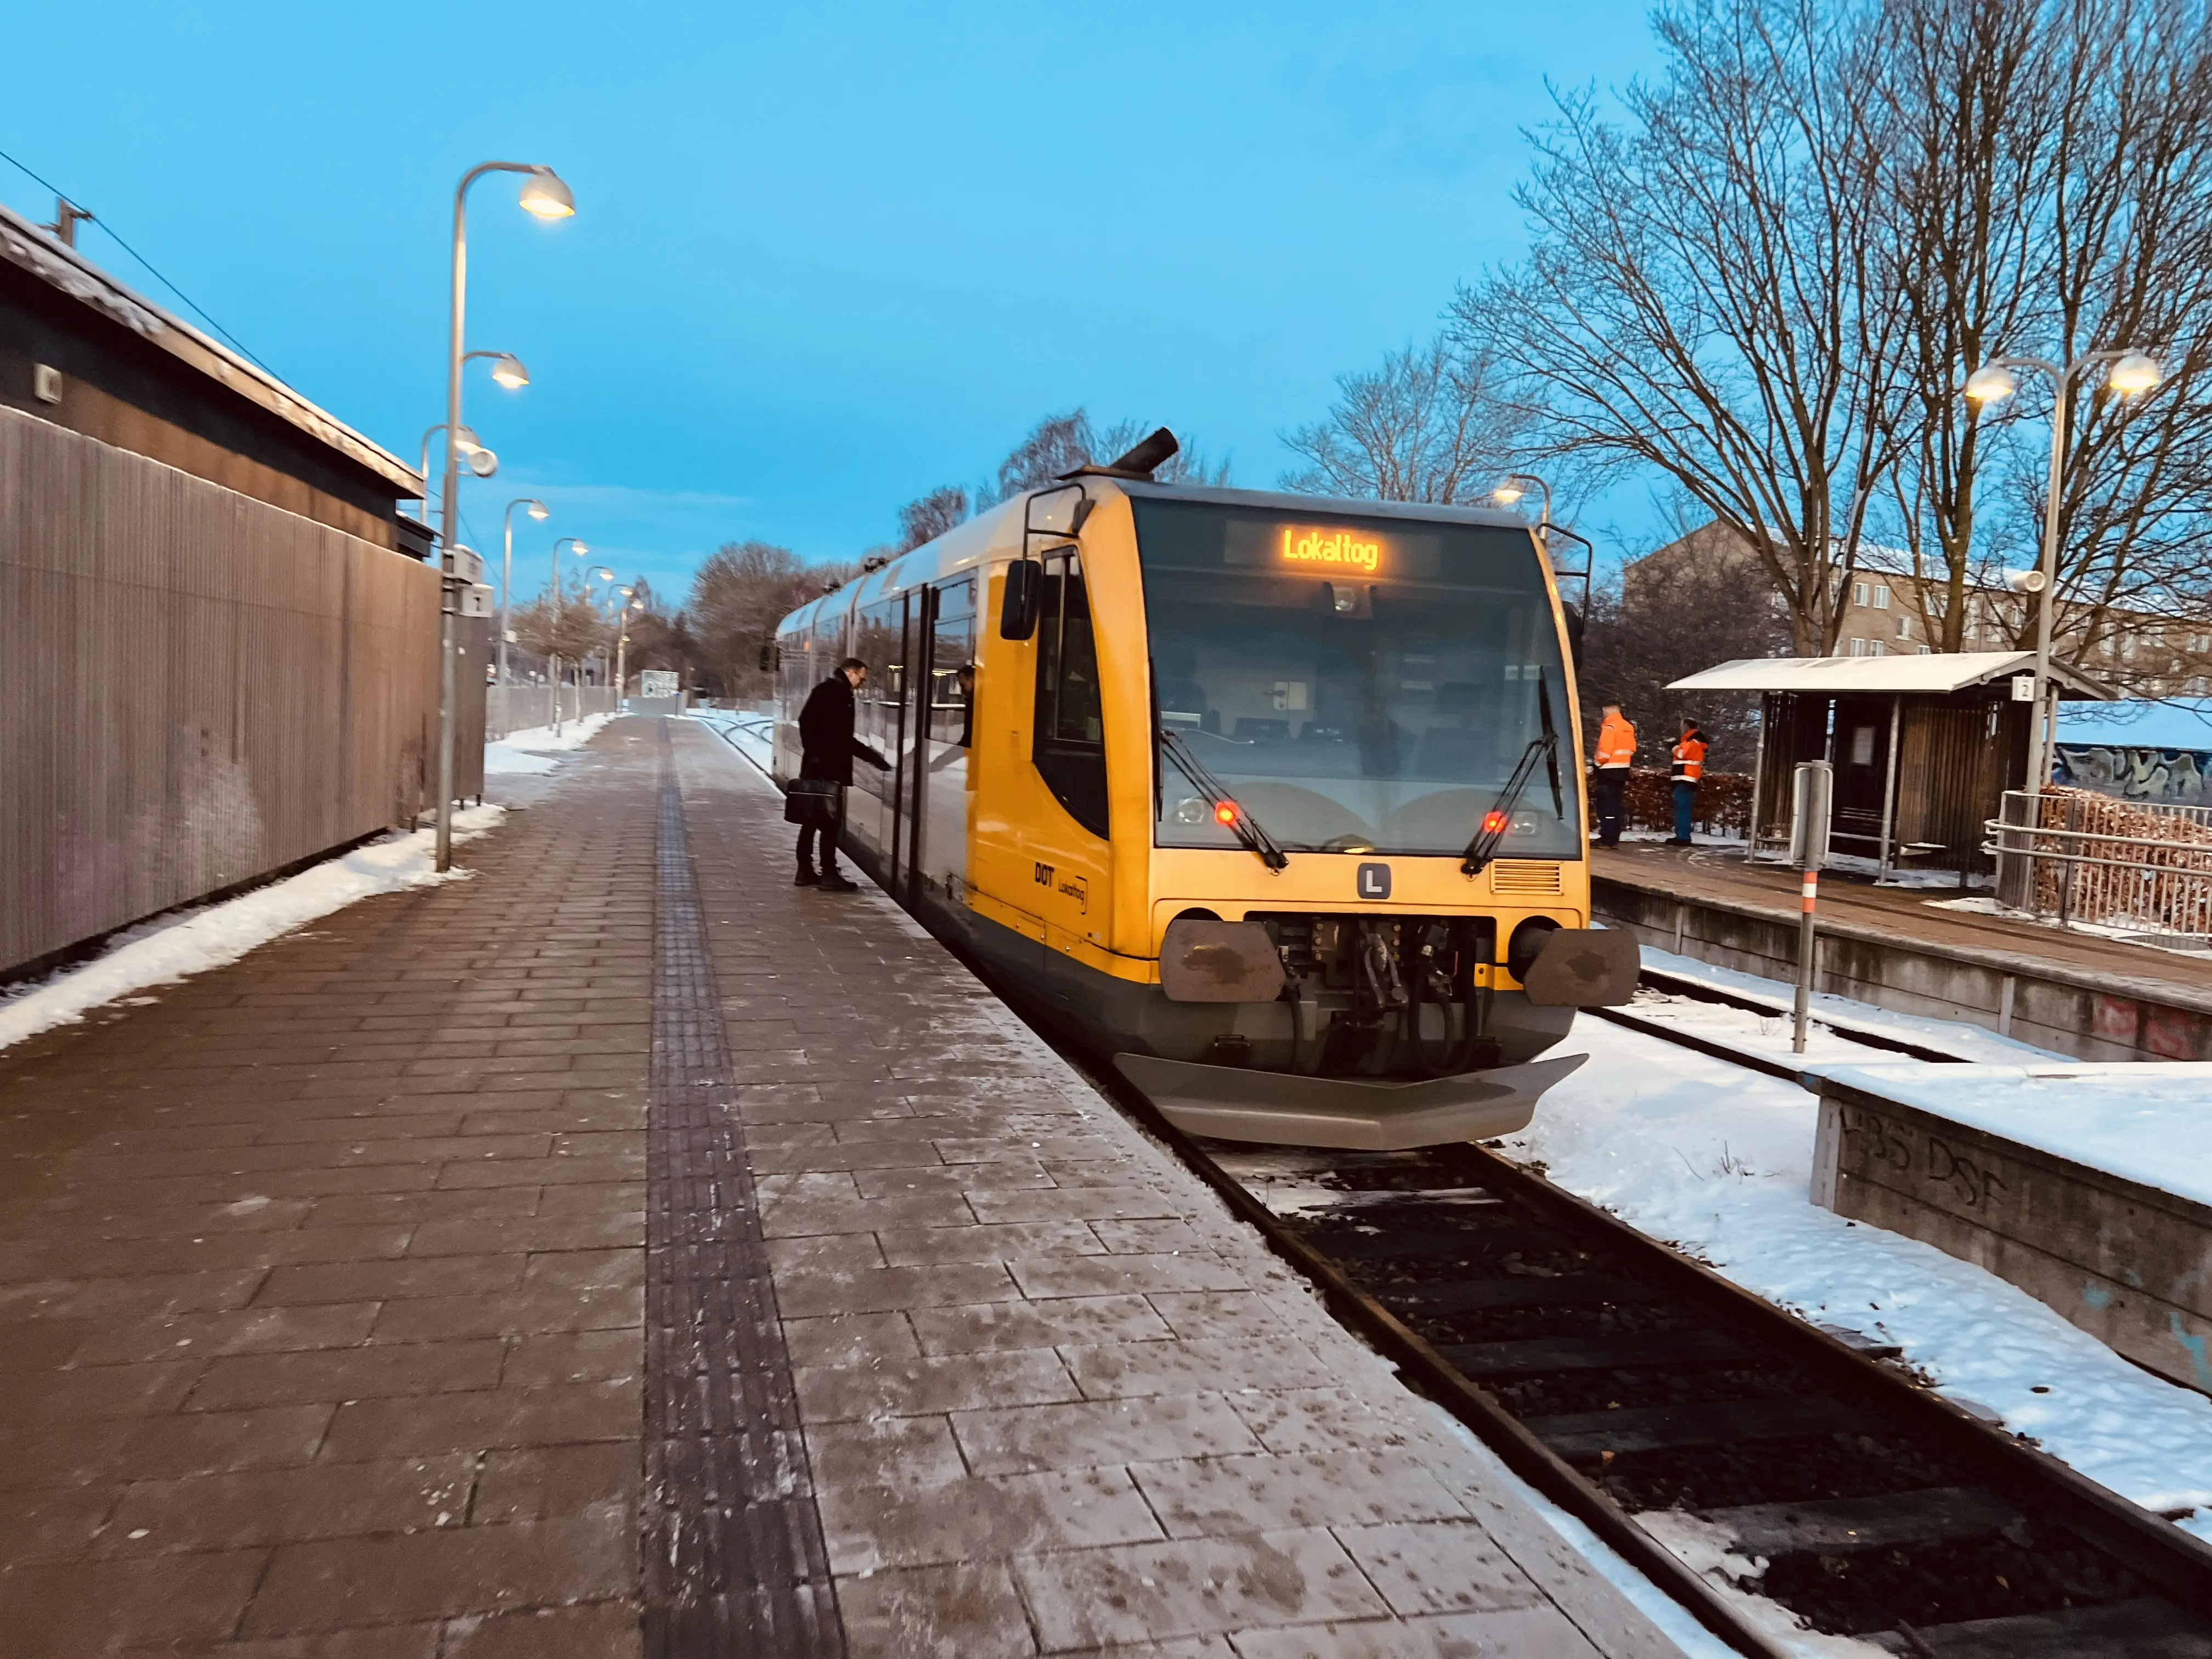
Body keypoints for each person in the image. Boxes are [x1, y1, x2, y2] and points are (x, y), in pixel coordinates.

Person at [795, 657, 890, 891]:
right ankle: (828, 873)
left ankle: (805, 871)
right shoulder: (834, 693)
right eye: (861, 676)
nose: (862, 682)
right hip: (826, 768)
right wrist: (873, 758)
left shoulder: (830, 691)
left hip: (819, 766)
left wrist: (814, 753)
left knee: (811, 821)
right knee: (829, 823)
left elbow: (811, 725)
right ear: (850, 672)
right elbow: (840, 738)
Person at [1592, 701, 1636, 848]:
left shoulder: (1610, 727)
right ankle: (1614, 836)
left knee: (1606, 806)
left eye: (1605, 711)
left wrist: (1596, 764)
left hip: (1608, 771)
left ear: (1609, 710)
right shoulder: (1627, 727)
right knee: (1616, 805)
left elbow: (1605, 751)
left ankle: (1607, 837)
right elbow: (1632, 748)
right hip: (1622, 770)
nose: (1604, 714)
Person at [1669, 718, 1708, 846]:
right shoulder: (1693, 741)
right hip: (1686, 778)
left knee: (1682, 808)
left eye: (1682, 726)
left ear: (1687, 727)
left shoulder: (1693, 741)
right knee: (1682, 807)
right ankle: (1682, 835)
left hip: (1686, 778)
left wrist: (1673, 746)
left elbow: (1681, 754)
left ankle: (1683, 837)